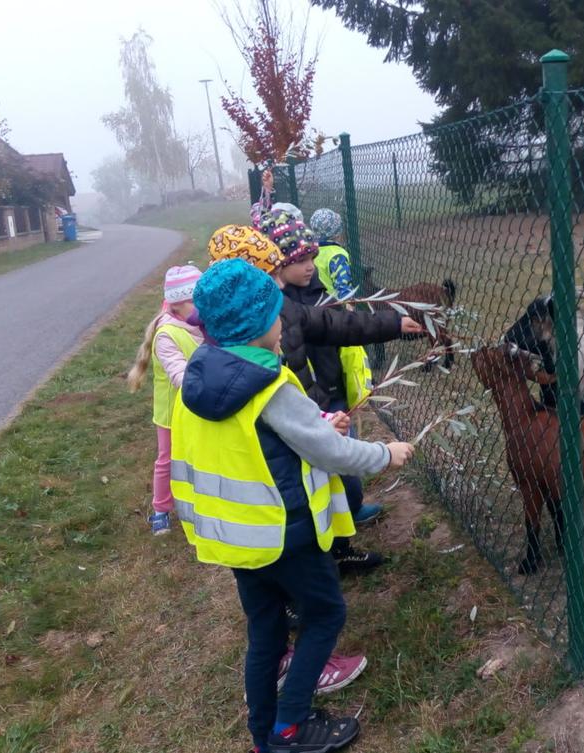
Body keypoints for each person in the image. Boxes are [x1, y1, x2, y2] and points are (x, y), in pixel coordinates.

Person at [171, 258, 413, 753]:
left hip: (235, 539)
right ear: (261, 326)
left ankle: (263, 734)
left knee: (266, 630)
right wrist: (385, 455)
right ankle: (291, 727)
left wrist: (317, 420)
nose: (284, 322)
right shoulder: (270, 386)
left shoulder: (200, 377)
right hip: (285, 535)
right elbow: (329, 452)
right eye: (277, 314)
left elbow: (263, 439)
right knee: (324, 616)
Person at [266, 221, 424, 571]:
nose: (309, 265)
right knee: (323, 483)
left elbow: (342, 327)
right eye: (298, 260)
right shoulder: (272, 311)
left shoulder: (311, 298)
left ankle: (339, 546)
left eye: (312, 257)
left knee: (343, 483)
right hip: (308, 409)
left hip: (330, 398)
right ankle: (320, 558)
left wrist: (392, 324)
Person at [126, 265, 205, 535]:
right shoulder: (167, 334)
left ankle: (197, 503)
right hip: (172, 413)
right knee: (167, 460)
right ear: (177, 304)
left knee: (197, 458)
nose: (202, 307)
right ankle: (161, 509)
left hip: (199, 408)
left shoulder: (198, 324)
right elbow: (179, 374)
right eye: (196, 301)